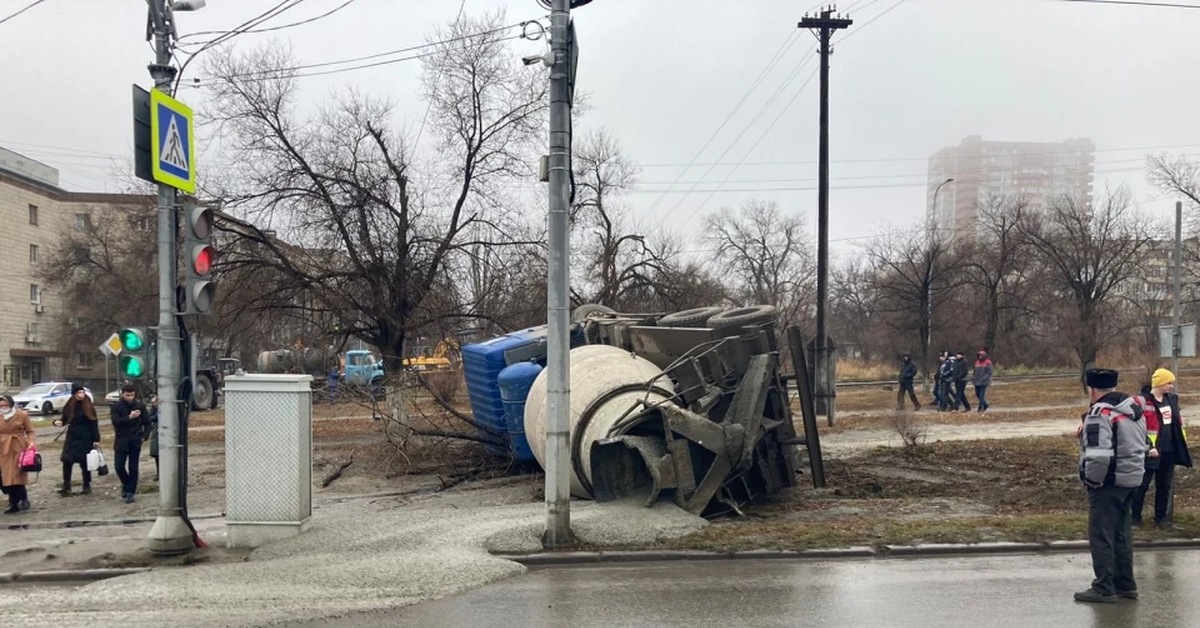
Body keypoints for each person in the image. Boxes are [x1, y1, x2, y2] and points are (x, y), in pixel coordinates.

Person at [1075, 368, 1147, 604]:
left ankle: (1104, 587)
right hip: (1131, 478)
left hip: (1108, 482)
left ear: (1091, 389)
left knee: (1101, 535)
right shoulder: (1132, 407)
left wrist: (1092, 481)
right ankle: (1126, 584)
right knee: (1121, 533)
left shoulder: (1099, 412)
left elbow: (1098, 455)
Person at [1132, 368, 1193, 527]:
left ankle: (1161, 520)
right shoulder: (1143, 402)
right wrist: (1147, 447)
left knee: (1164, 486)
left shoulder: (1171, 400)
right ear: (1159, 383)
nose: (1171, 386)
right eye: (1169, 383)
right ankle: (1134, 519)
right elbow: (1137, 428)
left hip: (1169, 450)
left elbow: (1177, 424)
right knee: (1141, 486)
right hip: (1150, 452)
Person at [53, 384, 100, 496]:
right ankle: (66, 486)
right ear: (74, 394)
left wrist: (96, 439)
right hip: (72, 436)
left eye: (82, 392)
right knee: (67, 461)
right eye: (79, 392)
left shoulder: (88, 405)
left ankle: (86, 484)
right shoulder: (70, 405)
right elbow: (64, 419)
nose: (81, 395)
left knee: (85, 463)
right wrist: (57, 422)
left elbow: (94, 423)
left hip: (85, 437)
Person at [111, 384, 149, 503]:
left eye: (132, 395)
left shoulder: (139, 406)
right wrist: (129, 417)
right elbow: (116, 422)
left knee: (133, 467)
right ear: (123, 394)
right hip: (121, 440)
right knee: (119, 466)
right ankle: (126, 484)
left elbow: (147, 422)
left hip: (135, 440)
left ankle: (131, 492)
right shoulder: (117, 407)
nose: (130, 397)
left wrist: (144, 436)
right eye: (127, 395)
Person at [0, 394, 36, 514]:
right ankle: (15, 502)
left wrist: (31, 443)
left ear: (11, 404)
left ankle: (21, 500)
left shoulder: (22, 415)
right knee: (7, 476)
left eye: (6, 405)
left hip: (18, 446)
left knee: (17, 474)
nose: (3, 407)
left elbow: (30, 431)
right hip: (3, 448)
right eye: (1, 405)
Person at [147, 394, 160, 482]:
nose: (154, 404)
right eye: (153, 402)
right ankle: (159, 472)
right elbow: (150, 418)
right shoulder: (153, 409)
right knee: (156, 454)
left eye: (156, 402)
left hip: (160, 432)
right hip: (156, 433)